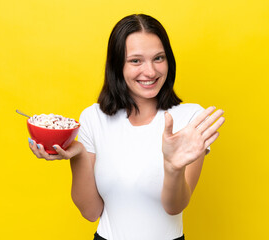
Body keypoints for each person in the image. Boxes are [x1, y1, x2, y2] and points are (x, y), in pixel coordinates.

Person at [28, 14, 225, 240]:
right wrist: (79, 154)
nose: (150, 72)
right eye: (135, 61)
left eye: (158, 58)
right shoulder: (94, 118)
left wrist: (173, 167)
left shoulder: (189, 118)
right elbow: (90, 212)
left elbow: (175, 207)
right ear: (117, 65)